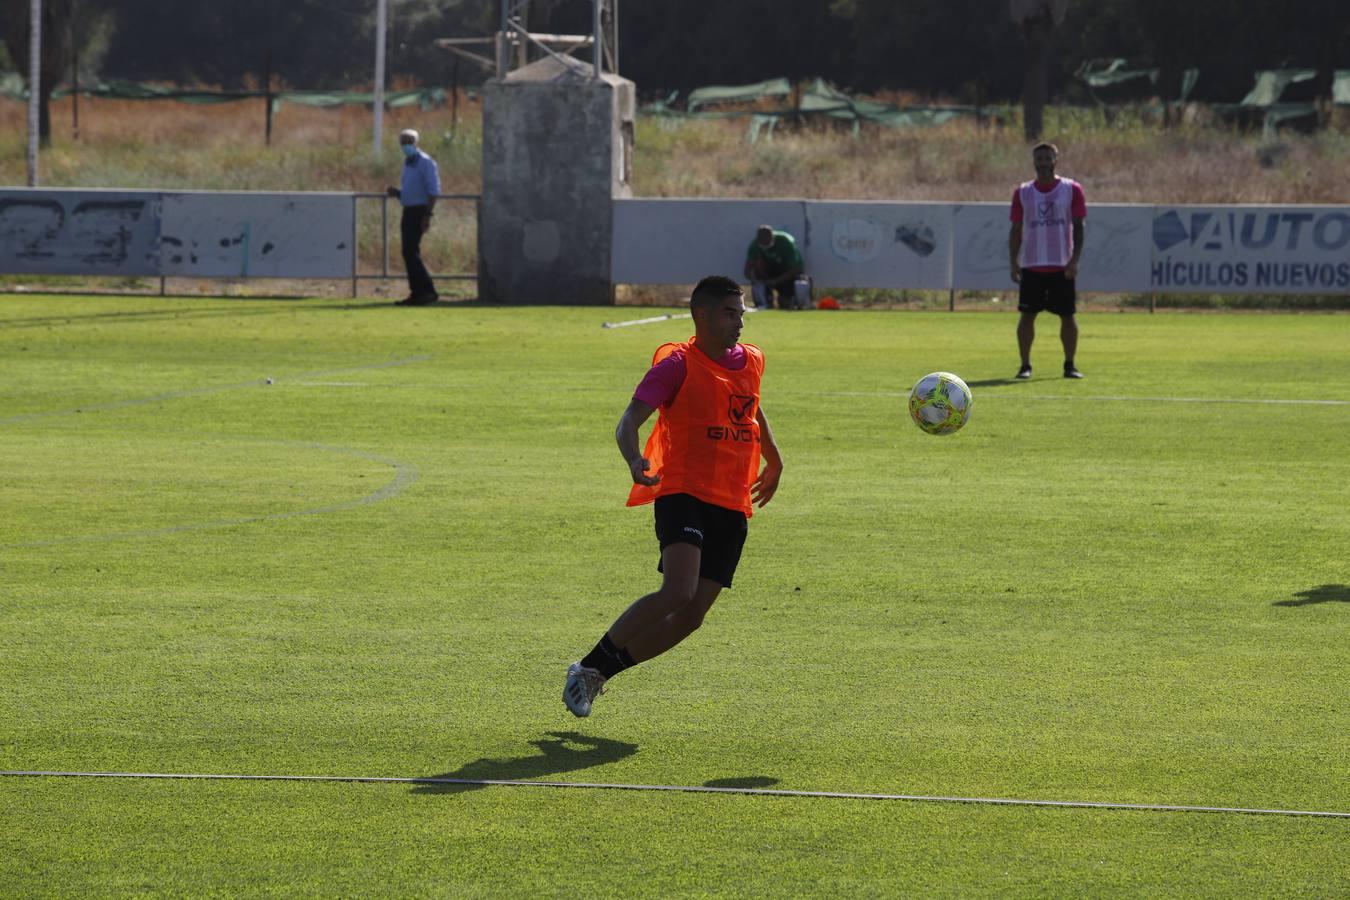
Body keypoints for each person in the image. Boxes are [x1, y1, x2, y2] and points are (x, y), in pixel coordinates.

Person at [563, 275, 785, 718]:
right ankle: (588, 665)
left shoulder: (752, 361)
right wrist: (632, 460)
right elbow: (629, 420)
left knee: (692, 615)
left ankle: (600, 671)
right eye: (729, 313)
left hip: (732, 499)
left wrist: (774, 458)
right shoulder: (677, 365)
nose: (738, 323)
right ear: (700, 315)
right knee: (677, 591)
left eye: (741, 314)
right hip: (684, 491)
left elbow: (751, 405)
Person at [1008, 142, 1086, 379]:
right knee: (1027, 316)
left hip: (1061, 265)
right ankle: (1025, 365)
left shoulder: (1071, 189)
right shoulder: (1023, 192)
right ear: (1034, 162)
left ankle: (1070, 364)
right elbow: (1016, 229)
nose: (1043, 163)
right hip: (1032, 264)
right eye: (1039, 159)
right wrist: (1013, 261)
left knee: (1067, 315)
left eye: (1047, 158)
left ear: (1055, 160)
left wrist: (1074, 259)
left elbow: (1079, 226)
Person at [385, 128, 440, 305]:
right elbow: (413, 191)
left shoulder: (425, 162)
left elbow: (433, 191)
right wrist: (398, 194)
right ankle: (418, 292)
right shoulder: (408, 162)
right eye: (403, 142)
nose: (406, 145)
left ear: (416, 143)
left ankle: (426, 291)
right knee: (409, 252)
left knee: (410, 251)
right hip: (409, 210)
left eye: (409, 141)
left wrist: (428, 215)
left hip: (419, 211)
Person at [743, 225, 806, 310]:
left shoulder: (785, 241)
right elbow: (747, 270)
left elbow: (796, 269)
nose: (764, 243)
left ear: (772, 236)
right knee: (759, 264)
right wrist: (756, 280)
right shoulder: (755, 245)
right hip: (767, 276)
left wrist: (776, 280)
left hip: (786, 275)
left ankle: (789, 299)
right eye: (762, 241)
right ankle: (765, 300)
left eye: (767, 240)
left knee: (785, 303)